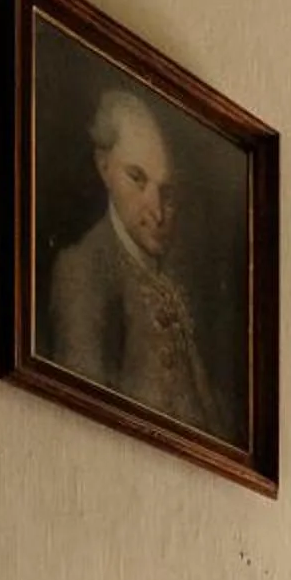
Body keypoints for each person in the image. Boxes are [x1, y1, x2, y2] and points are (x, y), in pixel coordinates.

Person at [46, 87, 226, 436]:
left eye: (166, 191)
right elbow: (82, 422)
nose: (156, 211)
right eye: (137, 179)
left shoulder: (167, 275)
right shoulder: (82, 270)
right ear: (104, 167)